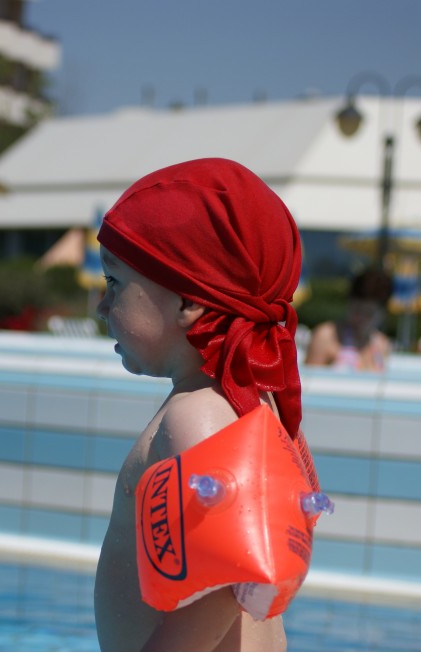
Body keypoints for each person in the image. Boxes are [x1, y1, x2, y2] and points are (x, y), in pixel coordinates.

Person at [92, 158, 319, 651]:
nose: (101, 306)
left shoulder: (198, 415)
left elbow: (225, 581)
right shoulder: (250, 405)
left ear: (188, 301)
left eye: (114, 283)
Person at [303, 268, 393, 371]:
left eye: (369, 314)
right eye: (357, 310)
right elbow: (308, 379)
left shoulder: (381, 344)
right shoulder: (326, 336)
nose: (361, 318)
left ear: (382, 315)